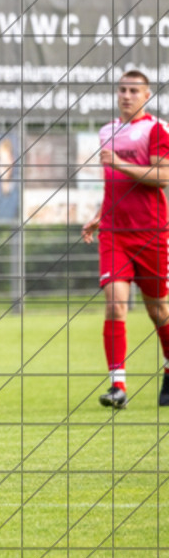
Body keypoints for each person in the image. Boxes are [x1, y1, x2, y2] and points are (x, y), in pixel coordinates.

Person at [82, 70, 169, 409]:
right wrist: (99, 215)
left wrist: (119, 163)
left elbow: (162, 176)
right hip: (114, 234)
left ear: (146, 95)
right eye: (122, 90)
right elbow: (114, 186)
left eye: (134, 90)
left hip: (151, 233)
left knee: (158, 310)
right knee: (116, 304)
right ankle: (117, 386)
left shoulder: (156, 129)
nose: (127, 96)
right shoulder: (107, 131)